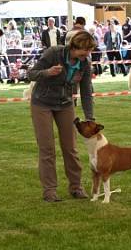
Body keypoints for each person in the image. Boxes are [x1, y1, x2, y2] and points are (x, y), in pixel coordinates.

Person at [27, 31, 96, 202]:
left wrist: (90, 117)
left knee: (71, 148)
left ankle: (76, 187)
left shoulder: (85, 63)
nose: (87, 54)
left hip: (65, 104)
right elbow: (31, 73)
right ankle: (49, 190)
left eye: (89, 51)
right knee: (47, 148)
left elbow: (86, 91)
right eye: (84, 51)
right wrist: (47, 72)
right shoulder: (54, 53)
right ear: (74, 47)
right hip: (42, 103)